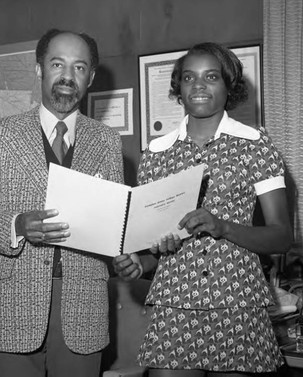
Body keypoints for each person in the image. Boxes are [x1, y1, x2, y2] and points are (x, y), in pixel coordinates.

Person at [113, 42, 293, 377]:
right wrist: (140, 262)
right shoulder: (157, 154)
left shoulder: (256, 146)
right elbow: (157, 247)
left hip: (237, 302)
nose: (198, 85)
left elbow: (282, 235)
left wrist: (223, 227)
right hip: (174, 304)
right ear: (178, 89)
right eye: (188, 78)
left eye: (211, 76)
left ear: (229, 86)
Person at [0, 29, 124, 377]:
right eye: (57, 64)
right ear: (39, 70)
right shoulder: (0, 134)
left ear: (90, 77)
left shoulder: (106, 140)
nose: (67, 76)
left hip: (84, 308)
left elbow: (116, 221)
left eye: (79, 68)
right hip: (13, 305)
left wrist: (128, 249)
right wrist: (17, 225)